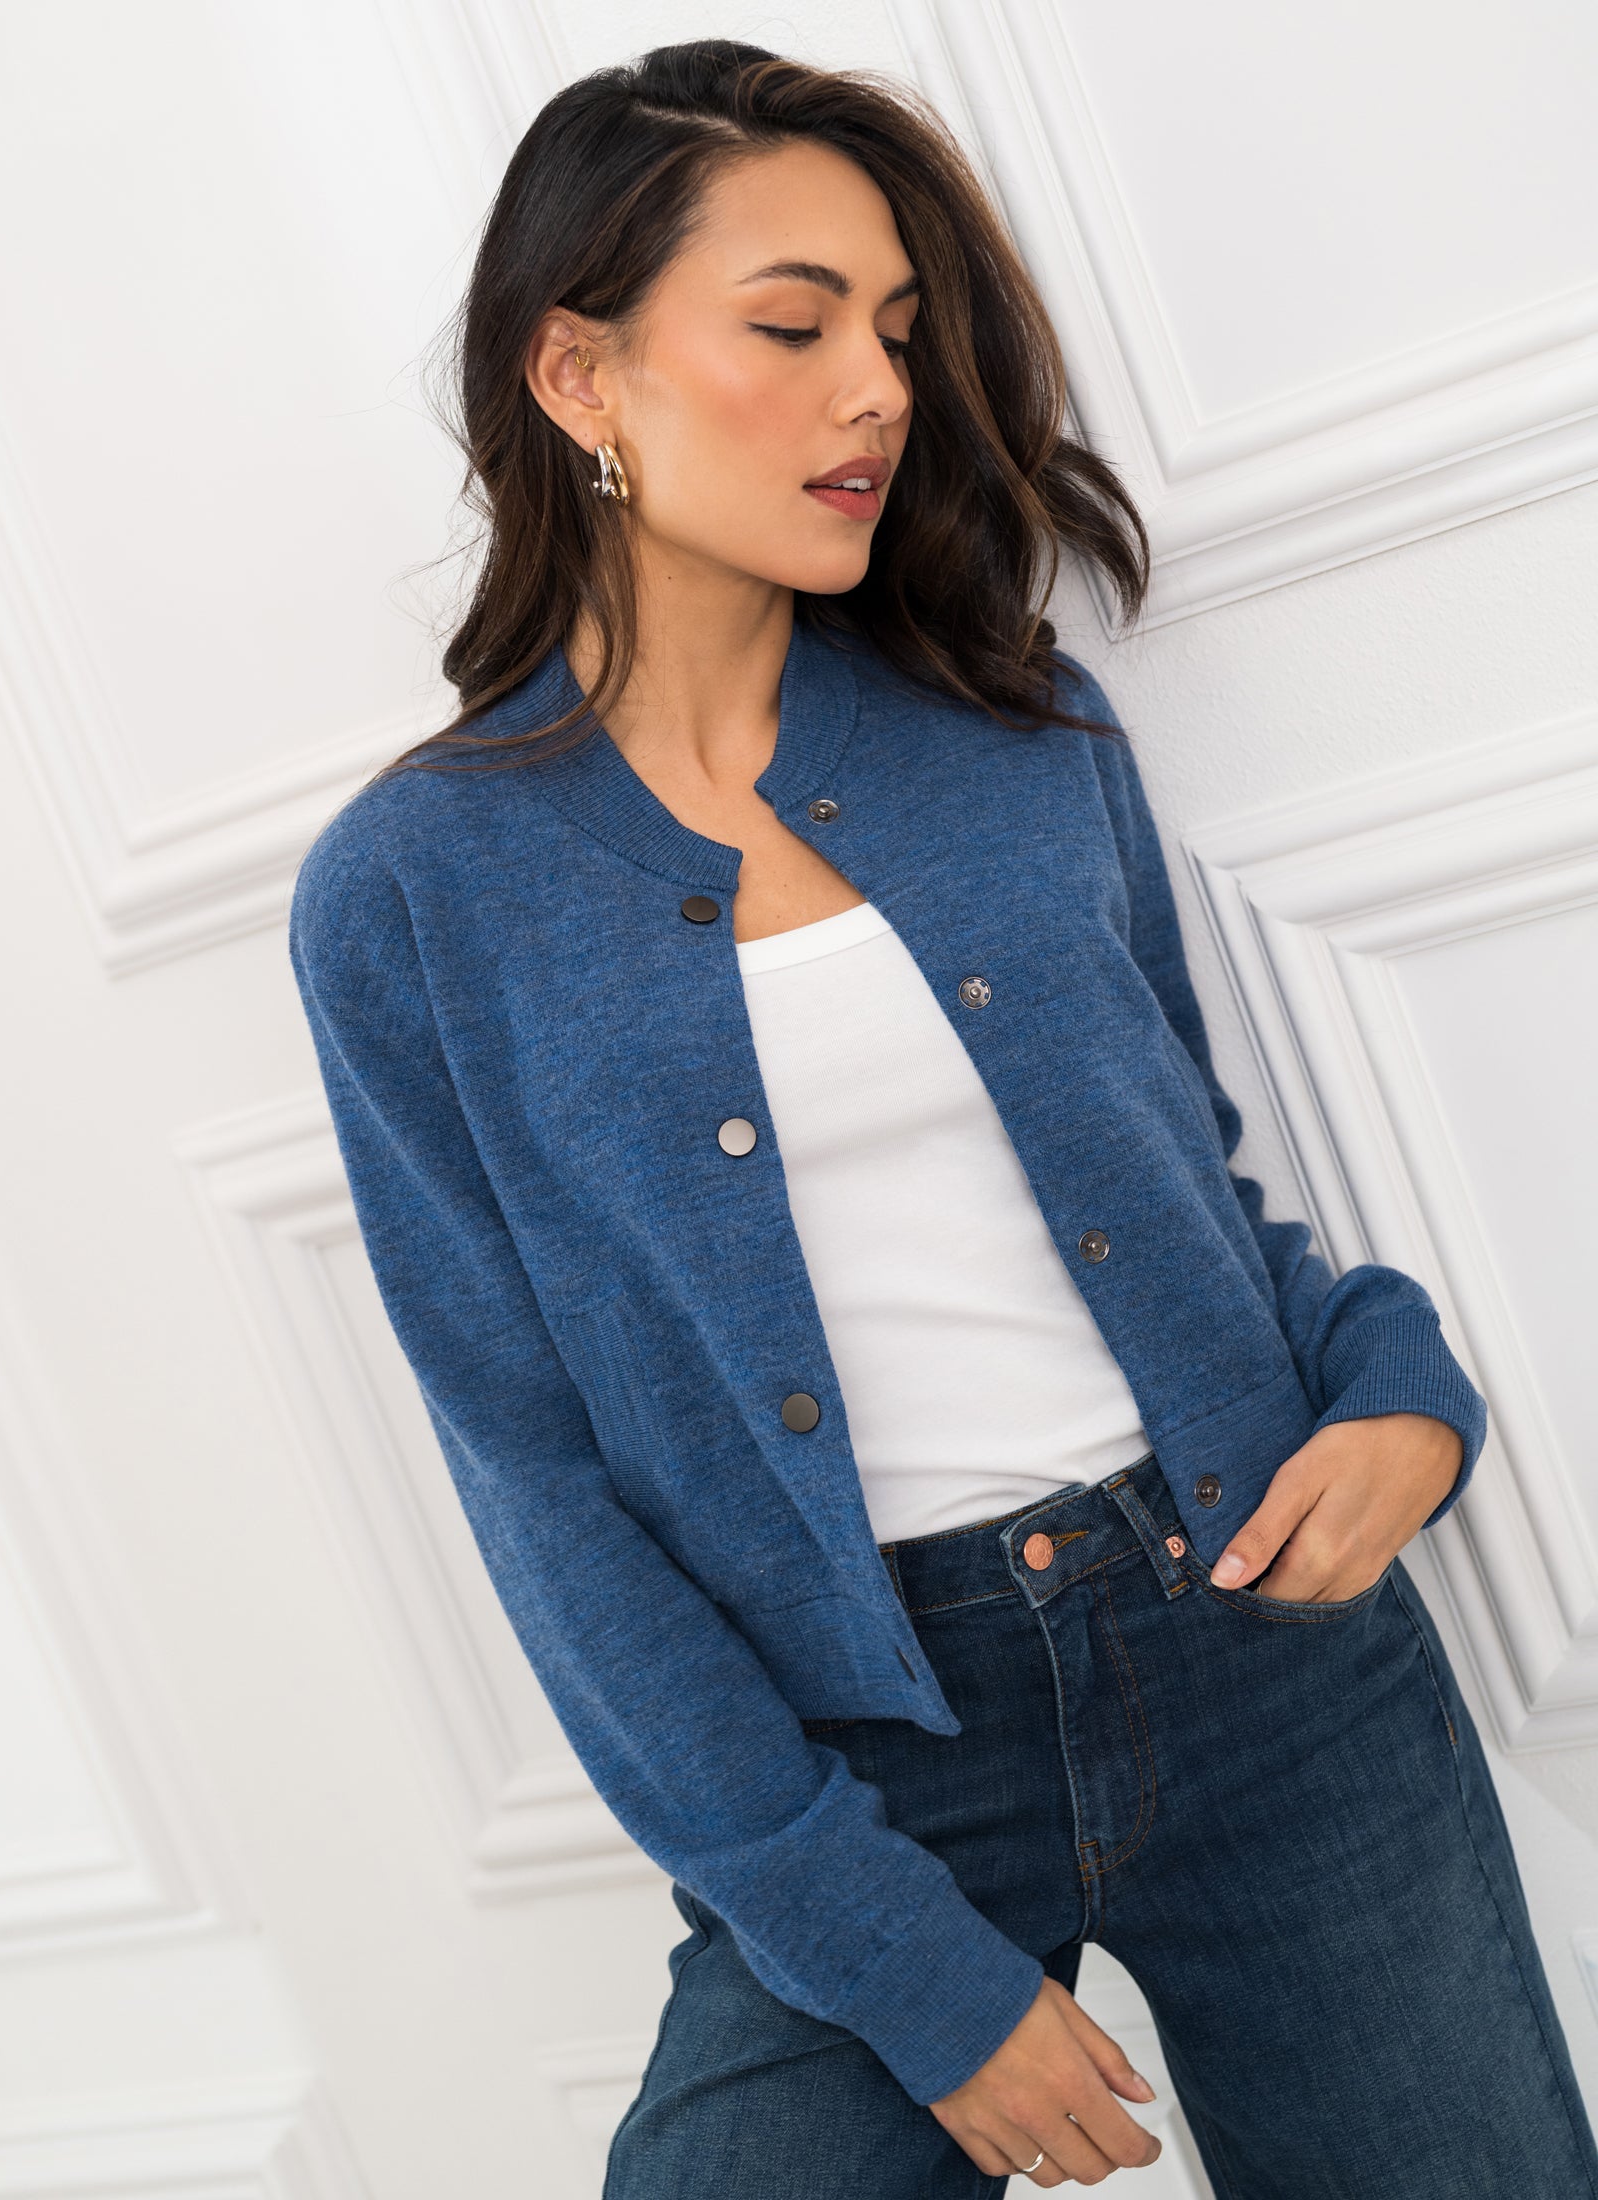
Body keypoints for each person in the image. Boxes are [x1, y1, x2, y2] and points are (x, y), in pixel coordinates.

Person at [288, 39, 1598, 2198]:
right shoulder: (417, 894)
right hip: (857, 1761)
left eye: (897, 332)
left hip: (1265, 1635)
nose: (877, 389)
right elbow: (534, 1477)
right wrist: (894, 1955)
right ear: (580, 373)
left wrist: (1399, 1393)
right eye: (792, 328)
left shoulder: (1018, 730)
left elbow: (1201, 1190)